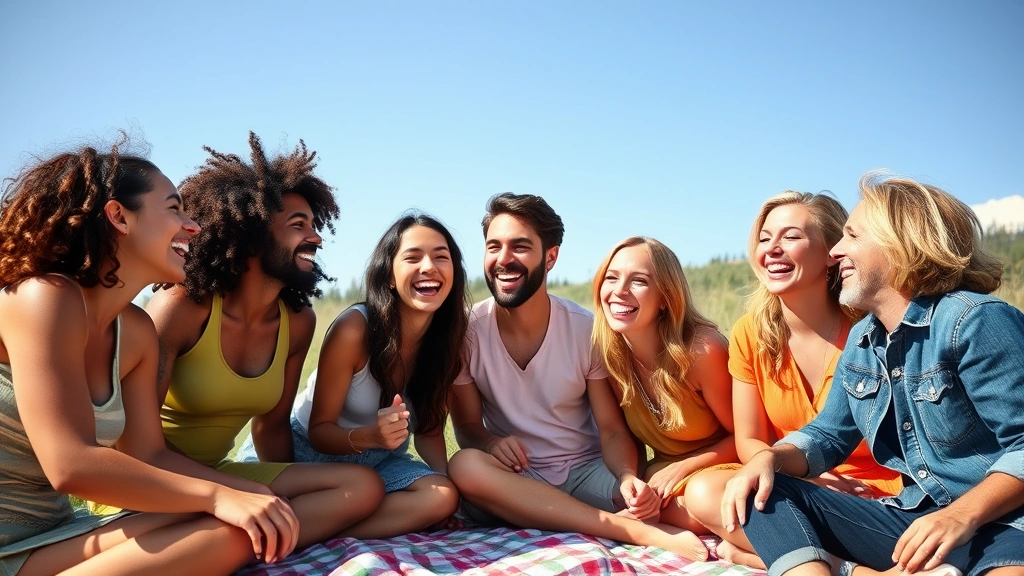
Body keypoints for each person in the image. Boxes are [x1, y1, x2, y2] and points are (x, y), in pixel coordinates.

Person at [0, 140, 302, 575]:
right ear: (119, 216)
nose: (193, 226)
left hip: (57, 532)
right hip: (11, 547)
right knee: (228, 531)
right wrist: (219, 496)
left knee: (236, 521)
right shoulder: (44, 298)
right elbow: (70, 464)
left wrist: (250, 495)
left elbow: (150, 456)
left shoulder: (136, 331)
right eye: (174, 209)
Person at [722, 173, 1024, 576]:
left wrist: (960, 516)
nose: (835, 252)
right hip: (916, 521)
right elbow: (827, 436)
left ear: (900, 243)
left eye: (851, 236)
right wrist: (771, 458)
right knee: (760, 490)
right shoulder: (864, 338)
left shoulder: (974, 320)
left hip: (1003, 524)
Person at [137, 132, 384, 548]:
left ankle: (237, 543)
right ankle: (227, 543)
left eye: (314, 224)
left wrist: (283, 492)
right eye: (298, 225)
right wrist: (232, 494)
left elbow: (270, 429)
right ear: (251, 236)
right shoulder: (182, 307)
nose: (317, 238)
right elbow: (136, 445)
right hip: (153, 480)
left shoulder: (298, 321)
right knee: (250, 514)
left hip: (220, 473)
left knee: (362, 485)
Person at [447, 193, 712, 560]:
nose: (503, 259)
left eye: (520, 246)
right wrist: (491, 443)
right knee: (464, 465)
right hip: (517, 479)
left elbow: (613, 429)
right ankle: (622, 529)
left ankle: (604, 517)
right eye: (494, 246)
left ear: (550, 256)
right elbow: (467, 427)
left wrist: (625, 479)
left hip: (588, 474)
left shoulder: (586, 330)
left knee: (693, 508)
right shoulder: (465, 334)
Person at [685, 192, 902, 568]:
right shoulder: (750, 334)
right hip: (793, 479)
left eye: (791, 237)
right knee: (704, 492)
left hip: (878, 491)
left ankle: (766, 554)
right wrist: (811, 480)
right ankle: (846, 568)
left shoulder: (871, 331)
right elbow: (750, 439)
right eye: (765, 238)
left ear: (831, 253)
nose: (772, 249)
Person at [239, 213, 465, 537]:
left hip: (381, 463)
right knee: (370, 490)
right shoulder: (356, 329)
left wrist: (447, 486)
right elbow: (319, 431)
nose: (428, 267)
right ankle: (325, 520)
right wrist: (372, 435)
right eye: (412, 257)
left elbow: (428, 432)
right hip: (307, 452)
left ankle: (327, 526)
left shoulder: (450, 341)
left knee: (441, 496)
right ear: (388, 275)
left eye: (440, 257)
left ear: (454, 273)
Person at [591, 237, 736, 535]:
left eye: (639, 281)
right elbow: (614, 432)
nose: (619, 291)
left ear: (665, 299)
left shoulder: (702, 351)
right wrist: (628, 475)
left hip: (725, 469)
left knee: (697, 496)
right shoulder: (608, 357)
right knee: (633, 500)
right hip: (665, 478)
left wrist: (685, 467)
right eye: (611, 277)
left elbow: (752, 438)